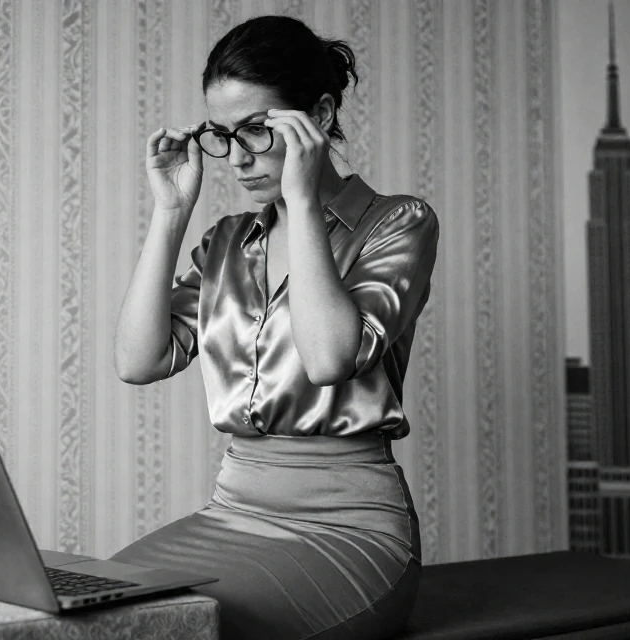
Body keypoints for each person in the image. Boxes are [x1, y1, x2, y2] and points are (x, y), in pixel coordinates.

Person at [111, 14, 439, 640]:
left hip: (351, 532)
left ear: (318, 115)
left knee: (171, 631)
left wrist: (305, 200)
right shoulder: (228, 242)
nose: (237, 157)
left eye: (257, 130)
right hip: (231, 513)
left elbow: (328, 359)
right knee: (93, 616)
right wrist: (171, 212)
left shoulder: (400, 222)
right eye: (222, 135)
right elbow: (138, 361)